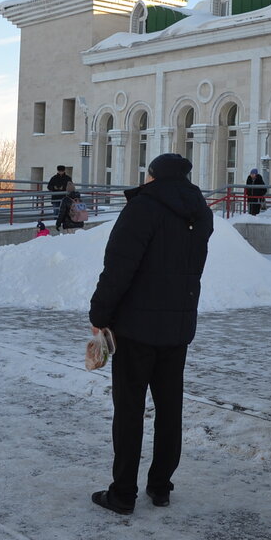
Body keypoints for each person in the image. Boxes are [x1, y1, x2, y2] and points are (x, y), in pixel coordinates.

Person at [87, 153, 213, 515]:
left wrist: (100, 314)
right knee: (170, 408)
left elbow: (119, 268)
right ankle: (161, 487)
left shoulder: (143, 208)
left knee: (129, 410)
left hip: (136, 328)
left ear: (153, 176)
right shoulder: (200, 213)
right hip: (177, 327)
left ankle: (123, 492)